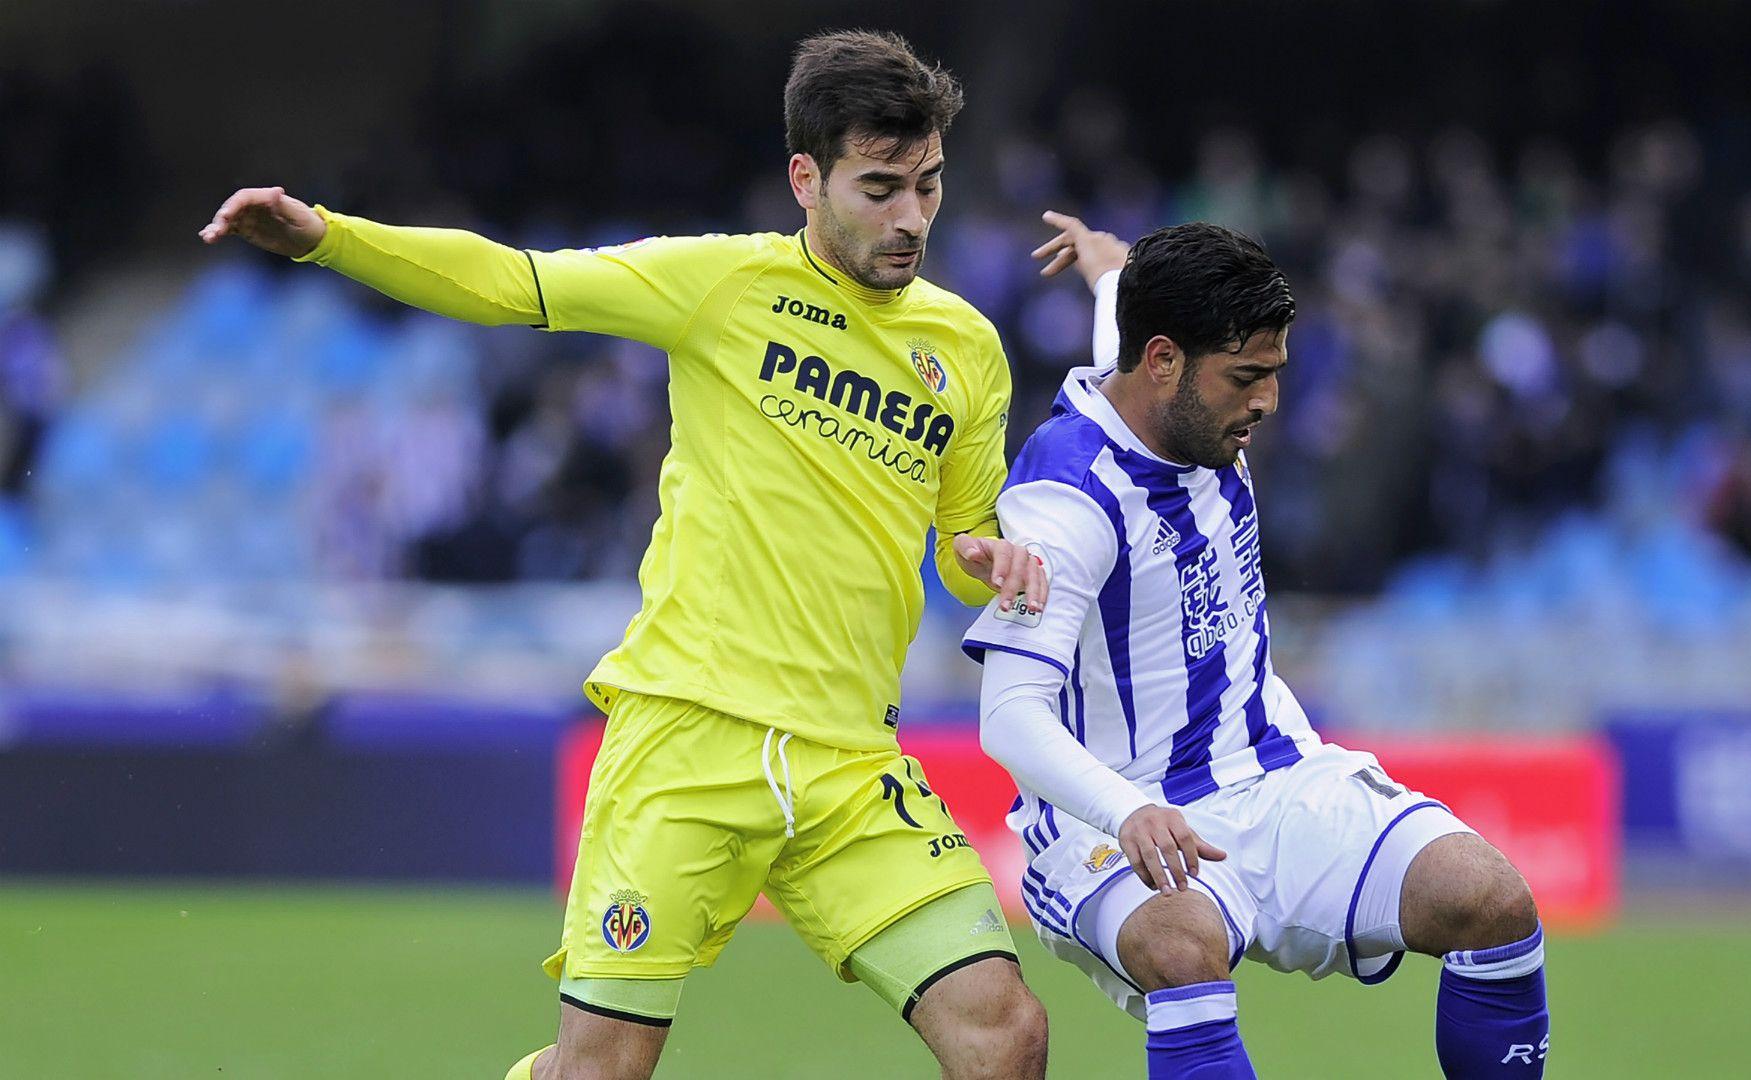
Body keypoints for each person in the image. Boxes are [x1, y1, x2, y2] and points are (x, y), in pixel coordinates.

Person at [200, 30, 1050, 1080]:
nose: (912, 216)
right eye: (880, 187)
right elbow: (513, 281)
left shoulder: (964, 346)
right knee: (598, 1070)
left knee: (1005, 1033)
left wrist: (995, 561)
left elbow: (967, 545)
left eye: (927, 185)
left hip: (850, 766)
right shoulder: (721, 286)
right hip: (689, 743)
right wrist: (329, 237)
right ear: (806, 178)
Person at [964, 213, 1551, 1078]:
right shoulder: (1063, 505)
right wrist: (1128, 813)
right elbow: (1009, 719)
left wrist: (1104, 266)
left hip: (1274, 776)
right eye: (1247, 377)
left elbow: (1123, 309)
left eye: (1275, 373)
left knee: (1492, 900)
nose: (1268, 402)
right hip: (1117, 815)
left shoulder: (1177, 394)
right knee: (1183, 945)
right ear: (1162, 361)